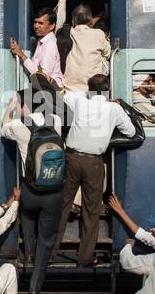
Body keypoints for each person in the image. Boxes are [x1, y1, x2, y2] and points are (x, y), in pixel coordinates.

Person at [58, 74, 135, 268]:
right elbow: (131, 132)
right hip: (94, 163)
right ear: (108, 90)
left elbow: (65, 96)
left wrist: (87, 93)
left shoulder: (80, 101)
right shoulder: (114, 109)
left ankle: (50, 253)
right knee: (91, 212)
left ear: (90, 89)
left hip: (72, 159)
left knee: (62, 205)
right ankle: (84, 258)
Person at [0, 94, 62, 294]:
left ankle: (28, 251)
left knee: (26, 213)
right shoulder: (56, 122)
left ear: (25, 107)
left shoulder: (18, 126)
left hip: (31, 192)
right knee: (47, 240)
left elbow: (4, 126)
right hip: (53, 193)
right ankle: (35, 288)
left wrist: (12, 107)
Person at [9, 5, 64, 88]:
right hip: (43, 90)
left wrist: (22, 56)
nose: (36, 26)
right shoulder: (42, 41)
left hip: (50, 92)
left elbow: (43, 76)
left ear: (52, 26)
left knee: (16, 98)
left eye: (40, 23)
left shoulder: (50, 45)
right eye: (35, 22)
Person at [61, 5, 112, 92]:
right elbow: (108, 54)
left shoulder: (68, 32)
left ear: (73, 20)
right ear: (90, 20)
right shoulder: (99, 34)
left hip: (70, 88)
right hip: (93, 89)